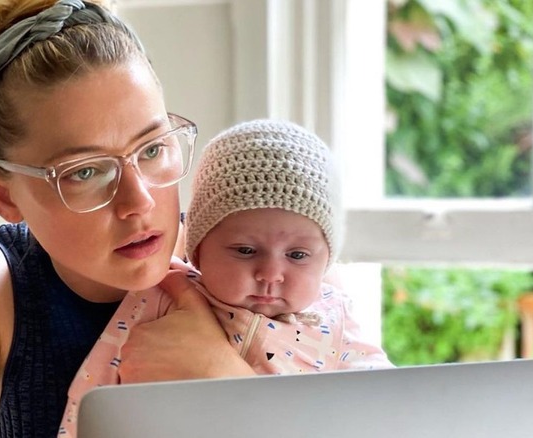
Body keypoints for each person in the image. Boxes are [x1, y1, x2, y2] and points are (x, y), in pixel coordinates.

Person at [0, 1, 255, 437]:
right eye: (85, 172)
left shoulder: (253, 257)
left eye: (153, 149)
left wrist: (229, 380)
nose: (138, 200)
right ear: (4, 195)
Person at [59, 119, 394, 437]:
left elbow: (388, 405)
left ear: (325, 261)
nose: (270, 274)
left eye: (297, 256)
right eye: (245, 251)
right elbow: (95, 386)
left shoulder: (336, 317)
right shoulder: (163, 295)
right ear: (200, 249)